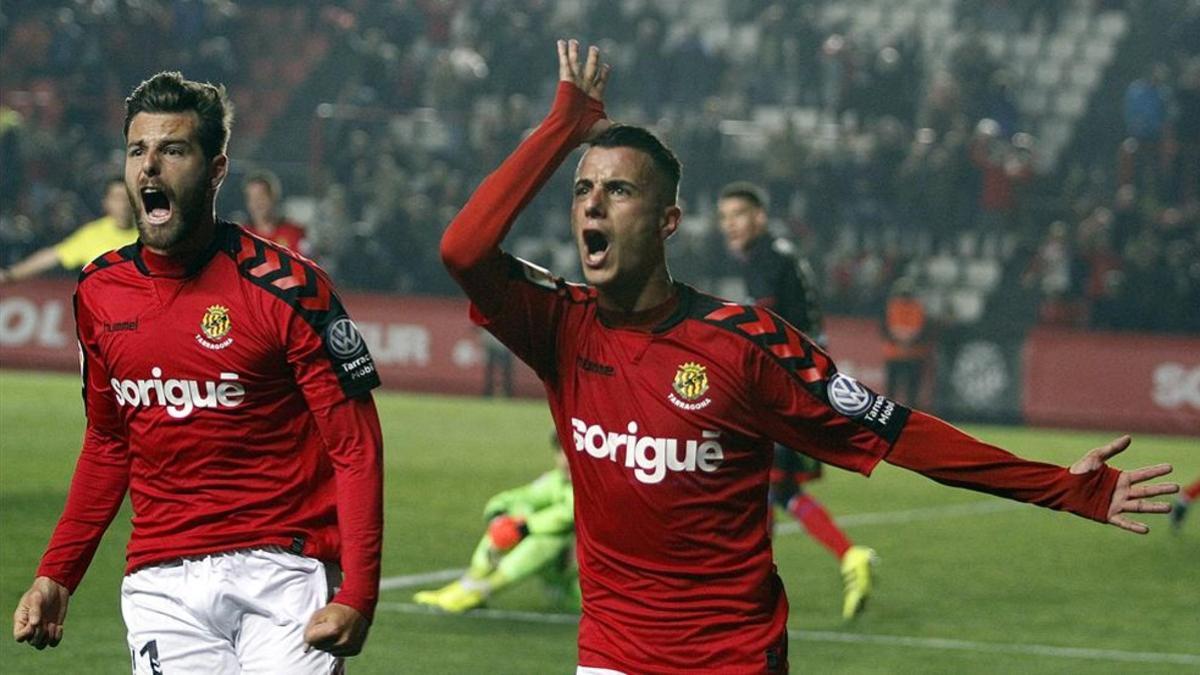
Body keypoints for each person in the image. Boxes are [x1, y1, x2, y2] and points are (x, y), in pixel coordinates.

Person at [440, 41, 1177, 674]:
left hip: (729, 659)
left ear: (668, 221)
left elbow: (902, 433)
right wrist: (564, 126)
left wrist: (1062, 487)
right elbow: (464, 249)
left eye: (619, 190)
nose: (593, 206)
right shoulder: (560, 326)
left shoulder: (745, 346)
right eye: (583, 191)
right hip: (608, 654)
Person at [11, 72, 385, 674]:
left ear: (216, 170)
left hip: (284, 570)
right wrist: (57, 573)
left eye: (173, 150)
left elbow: (355, 447)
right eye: (138, 151)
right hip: (161, 584)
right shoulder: (100, 291)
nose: (150, 167)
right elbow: (109, 444)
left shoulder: (289, 287)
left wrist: (359, 593)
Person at [717, 181, 876, 620]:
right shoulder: (782, 254)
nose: (729, 225)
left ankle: (747, 591)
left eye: (738, 215)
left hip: (784, 388)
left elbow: (761, 326)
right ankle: (850, 556)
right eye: (724, 217)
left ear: (759, 218)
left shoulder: (764, 260)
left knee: (753, 484)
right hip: (807, 384)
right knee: (779, 489)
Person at [415, 433, 576, 612]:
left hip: (588, 588)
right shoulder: (555, 481)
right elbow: (518, 498)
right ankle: (470, 582)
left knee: (549, 537)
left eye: (572, 452)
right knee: (511, 520)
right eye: (562, 451)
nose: (566, 459)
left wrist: (525, 527)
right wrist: (499, 516)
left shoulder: (592, 485)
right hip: (564, 578)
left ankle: (482, 591)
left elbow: (569, 513)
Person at [0, 177, 137, 284]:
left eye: (127, 197)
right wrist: (11, 274)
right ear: (106, 203)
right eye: (117, 198)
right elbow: (52, 256)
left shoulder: (150, 234)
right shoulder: (92, 235)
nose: (123, 203)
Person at [882, 277, 931, 406]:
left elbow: (887, 329)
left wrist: (901, 337)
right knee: (900, 390)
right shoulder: (912, 307)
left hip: (906, 354)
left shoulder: (896, 306)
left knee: (906, 391)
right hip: (905, 354)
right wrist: (907, 338)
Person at [243, 169, 309, 254]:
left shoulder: (294, 233)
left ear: (274, 197)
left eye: (261, 196)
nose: (257, 203)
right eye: (252, 198)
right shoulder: (241, 237)